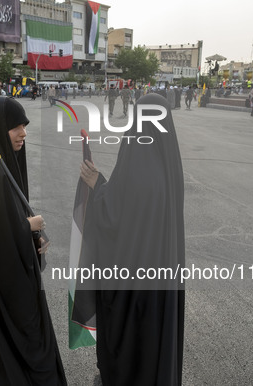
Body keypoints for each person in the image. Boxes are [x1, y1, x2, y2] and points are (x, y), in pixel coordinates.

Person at [78, 92, 184, 386]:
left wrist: (98, 184)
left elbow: (113, 219)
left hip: (133, 283)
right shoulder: (170, 167)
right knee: (154, 340)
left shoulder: (135, 165)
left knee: (131, 342)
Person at [0, 97, 66, 386]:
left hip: (12, 282)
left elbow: (8, 217)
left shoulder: (4, 165)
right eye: (15, 127)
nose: (23, 133)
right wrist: (26, 228)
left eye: (25, 125)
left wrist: (33, 239)